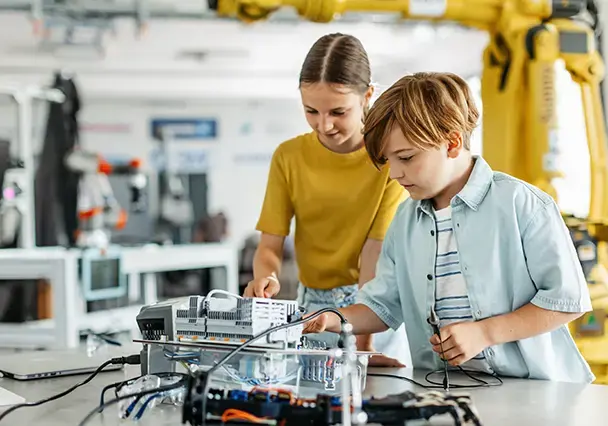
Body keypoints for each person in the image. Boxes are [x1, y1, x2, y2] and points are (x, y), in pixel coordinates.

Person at [302, 71, 595, 382]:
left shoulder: (522, 204)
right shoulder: (404, 222)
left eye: (406, 157)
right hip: (447, 389)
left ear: (452, 142)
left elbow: (566, 301)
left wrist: (485, 332)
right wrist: (332, 318)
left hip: (533, 392)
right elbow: (382, 305)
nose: (395, 174)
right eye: (389, 161)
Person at [243, 33, 410, 367]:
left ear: (367, 97)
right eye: (311, 110)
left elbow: (372, 254)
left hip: (372, 310)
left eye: (338, 111)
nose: (324, 125)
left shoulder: (387, 158)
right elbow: (270, 245)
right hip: (310, 308)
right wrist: (267, 279)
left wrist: (364, 343)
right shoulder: (288, 157)